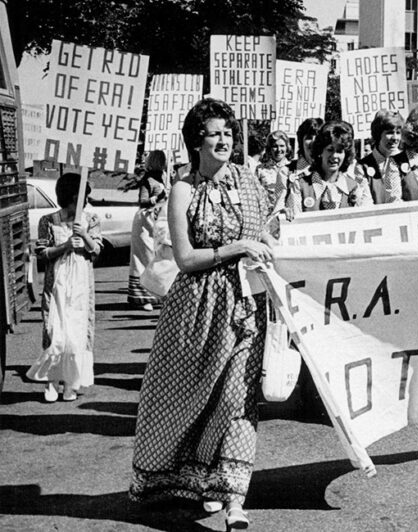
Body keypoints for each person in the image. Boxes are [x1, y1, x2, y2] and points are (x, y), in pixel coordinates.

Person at [130, 98, 275, 528]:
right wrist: (237, 247)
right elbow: (186, 258)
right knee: (193, 402)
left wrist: (271, 241)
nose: (225, 140)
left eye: (229, 133)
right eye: (215, 133)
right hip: (197, 309)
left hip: (246, 304)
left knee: (237, 399)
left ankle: (234, 500)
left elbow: (264, 233)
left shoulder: (248, 181)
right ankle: (199, 480)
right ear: (197, 142)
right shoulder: (183, 189)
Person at [28, 172, 102, 402]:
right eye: (82, 197)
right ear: (71, 197)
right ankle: (51, 382)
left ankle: (72, 383)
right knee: (56, 333)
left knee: (77, 335)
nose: (86, 201)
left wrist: (85, 236)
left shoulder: (91, 219)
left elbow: (97, 251)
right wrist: (66, 245)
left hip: (81, 286)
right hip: (57, 285)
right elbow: (42, 253)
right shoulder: (48, 221)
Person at [280, 121, 368, 219]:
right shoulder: (300, 185)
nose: (334, 156)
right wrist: (286, 216)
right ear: (320, 151)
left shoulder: (354, 187)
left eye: (339, 151)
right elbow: (294, 223)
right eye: (330, 149)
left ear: (346, 155)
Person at [128, 151, 170, 310]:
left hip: (160, 221)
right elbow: (143, 201)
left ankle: (158, 294)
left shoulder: (165, 178)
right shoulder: (148, 180)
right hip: (146, 221)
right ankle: (143, 298)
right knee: (145, 256)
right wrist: (158, 198)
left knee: (160, 256)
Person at [353, 110, 406, 204]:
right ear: (378, 134)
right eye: (390, 133)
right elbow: (365, 203)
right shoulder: (362, 166)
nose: (395, 138)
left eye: (398, 133)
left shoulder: (408, 161)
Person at [255, 130, 292, 205]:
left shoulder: (292, 168)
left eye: (282, 146)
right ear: (269, 149)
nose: (279, 150)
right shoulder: (260, 169)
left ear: (287, 148)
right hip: (267, 209)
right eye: (275, 146)